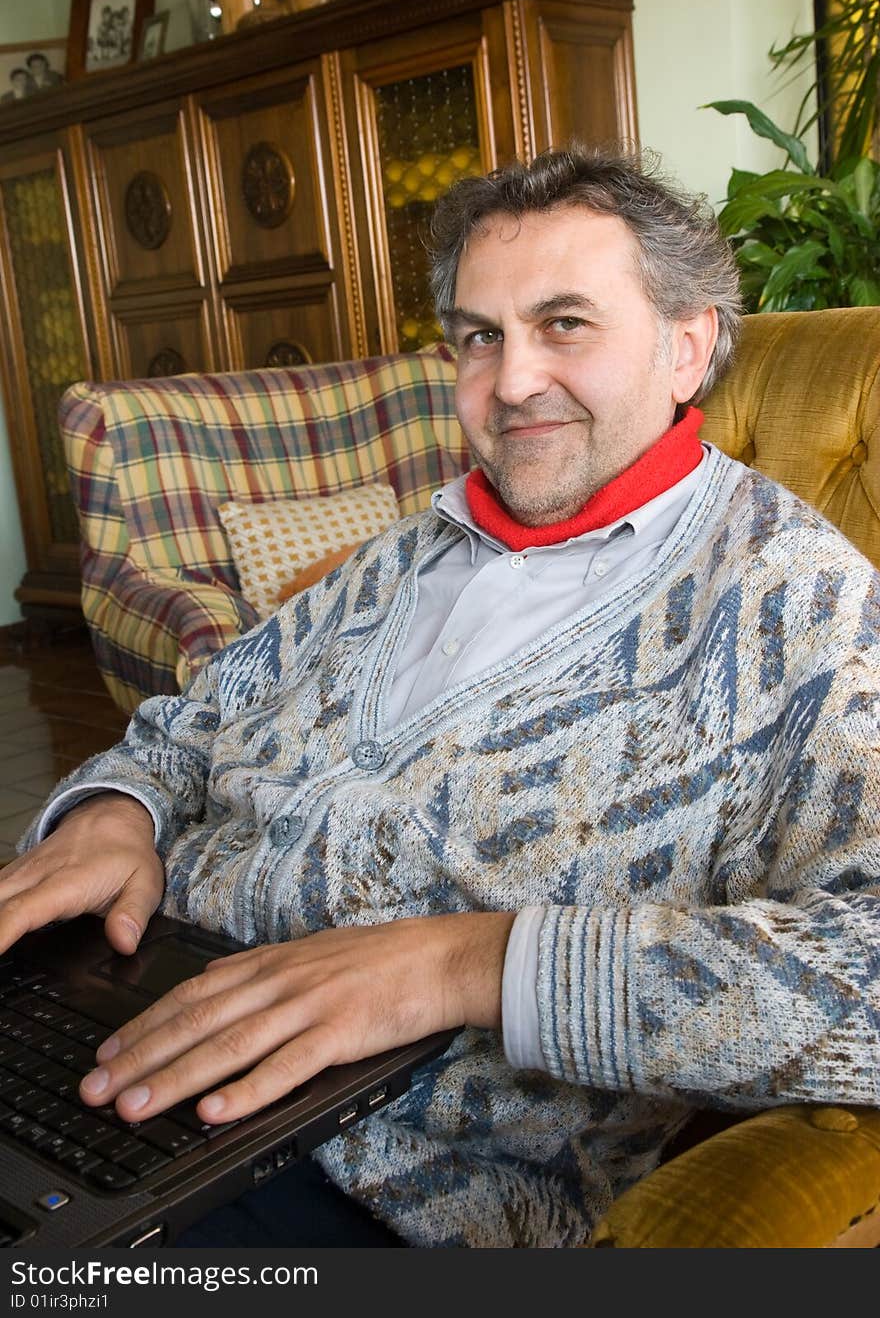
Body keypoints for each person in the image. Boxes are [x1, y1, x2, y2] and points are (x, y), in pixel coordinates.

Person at [2, 146, 879, 1248]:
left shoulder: (795, 604)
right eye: (479, 336)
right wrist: (111, 814)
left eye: (565, 325)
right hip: (106, 1012)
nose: (511, 381)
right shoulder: (407, 550)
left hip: (375, 1179)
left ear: (686, 344)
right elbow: (185, 729)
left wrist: (469, 962)